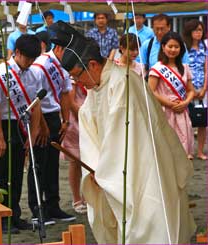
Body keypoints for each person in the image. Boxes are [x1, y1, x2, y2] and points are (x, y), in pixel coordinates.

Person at [60, 31, 195, 243]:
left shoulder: (123, 81)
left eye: (78, 75)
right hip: (111, 169)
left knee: (149, 218)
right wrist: (95, 166)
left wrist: (103, 169)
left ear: (93, 65)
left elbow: (124, 137)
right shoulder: (96, 86)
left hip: (141, 164)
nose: (77, 82)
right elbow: (90, 127)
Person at [0, 34, 42, 234]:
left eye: (33, 59)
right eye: (27, 58)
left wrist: (33, 133)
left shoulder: (33, 74)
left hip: (20, 125)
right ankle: (1, 218)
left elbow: (36, 106)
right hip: (0, 125)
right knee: (1, 173)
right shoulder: (0, 73)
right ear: (17, 52)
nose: (30, 63)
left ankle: (15, 215)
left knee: (17, 172)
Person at [28, 21, 79, 225]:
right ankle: (36, 208)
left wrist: (66, 120)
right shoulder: (41, 65)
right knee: (38, 164)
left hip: (56, 116)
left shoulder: (64, 67)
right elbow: (35, 99)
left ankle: (53, 205)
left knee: (52, 165)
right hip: (41, 117)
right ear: (58, 48)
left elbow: (66, 94)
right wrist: (39, 124)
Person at [148, 31, 195, 159]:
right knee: (166, 150)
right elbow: (151, 91)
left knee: (183, 148)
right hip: (165, 112)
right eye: (170, 46)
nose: (173, 49)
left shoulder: (185, 68)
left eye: (176, 46)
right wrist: (169, 104)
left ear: (181, 49)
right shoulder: (157, 68)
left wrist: (185, 103)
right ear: (163, 47)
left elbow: (191, 90)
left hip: (181, 112)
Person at [183, 19, 207, 160]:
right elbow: (183, 69)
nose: (199, 33)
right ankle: (188, 151)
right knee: (188, 120)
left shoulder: (204, 46)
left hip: (203, 87)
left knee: (203, 121)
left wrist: (204, 88)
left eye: (200, 30)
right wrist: (190, 90)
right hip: (188, 87)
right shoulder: (184, 47)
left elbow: (206, 68)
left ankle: (200, 151)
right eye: (196, 30)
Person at [62, 80, 87, 214]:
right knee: (75, 160)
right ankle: (77, 198)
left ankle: (87, 197)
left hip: (90, 118)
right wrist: (83, 118)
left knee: (91, 160)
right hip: (76, 121)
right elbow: (71, 102)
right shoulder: (72, 76)